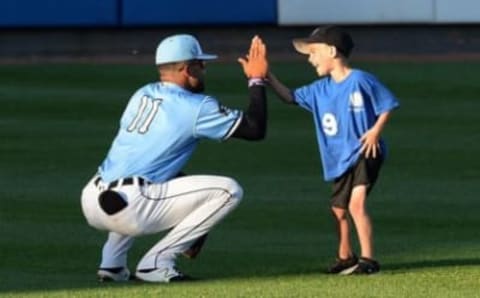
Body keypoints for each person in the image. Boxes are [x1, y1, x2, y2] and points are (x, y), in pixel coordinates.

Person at [81, 34, 268, 283]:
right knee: (228, 191)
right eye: (201, 64)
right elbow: (255, 129)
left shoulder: (143, 94)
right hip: (132, 207)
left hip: (92, 199)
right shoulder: (196, 106)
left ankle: (112, 264)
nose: (204, 69)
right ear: (187, 68)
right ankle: (156, 263)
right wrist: (256, 79)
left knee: (146, 178)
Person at [266, 26, 399, 274]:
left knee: (356, 205)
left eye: (313, 52)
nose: (309, 58)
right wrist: (268, 77)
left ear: (331, 51)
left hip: (365, 151)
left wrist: (375, 131)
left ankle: (369, 260)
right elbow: (290, 97)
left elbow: (387, 104)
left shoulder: (360, 80)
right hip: (339, 158)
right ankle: (345, 256)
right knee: (338, 210)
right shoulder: (319, 90)